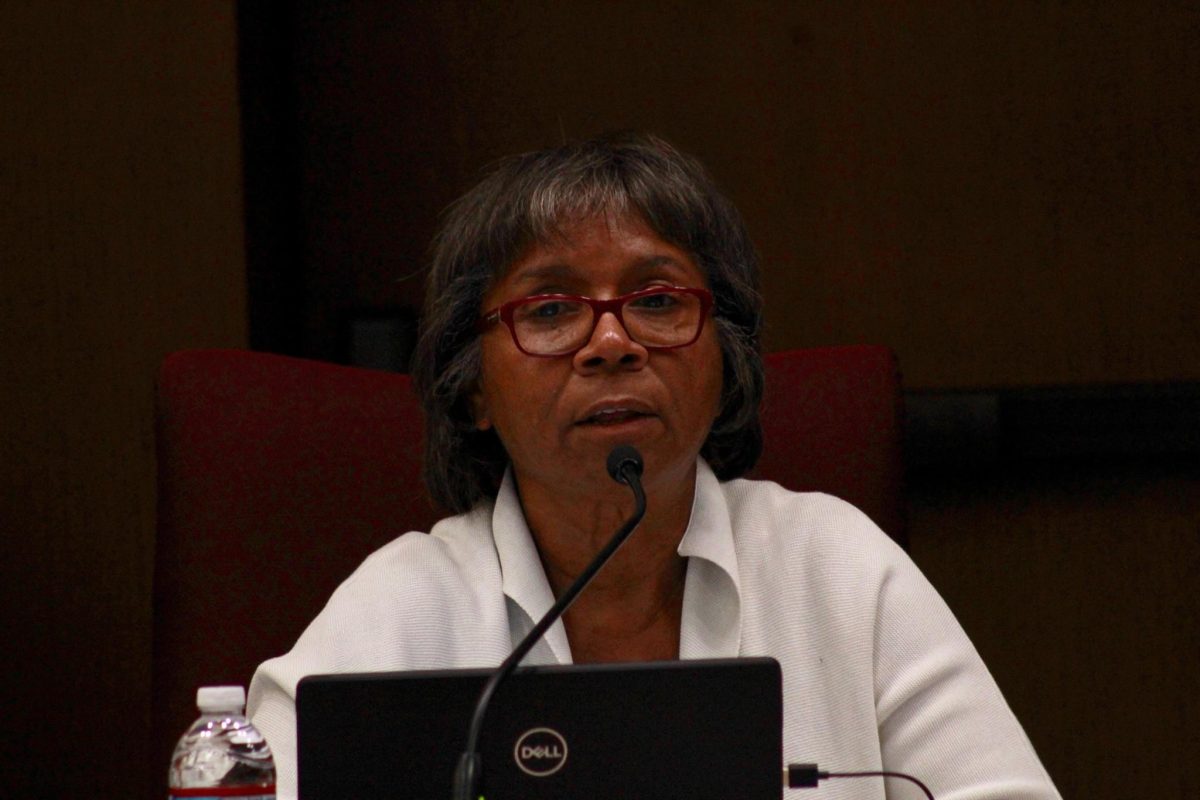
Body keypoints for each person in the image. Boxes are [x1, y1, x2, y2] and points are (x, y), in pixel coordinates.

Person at [248, 132, 1061, 799]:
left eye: (658, 300)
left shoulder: (838, 568)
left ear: (726, 358)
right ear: (472, 391)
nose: (612, 343)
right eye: (552, 309)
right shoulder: (399, 612)